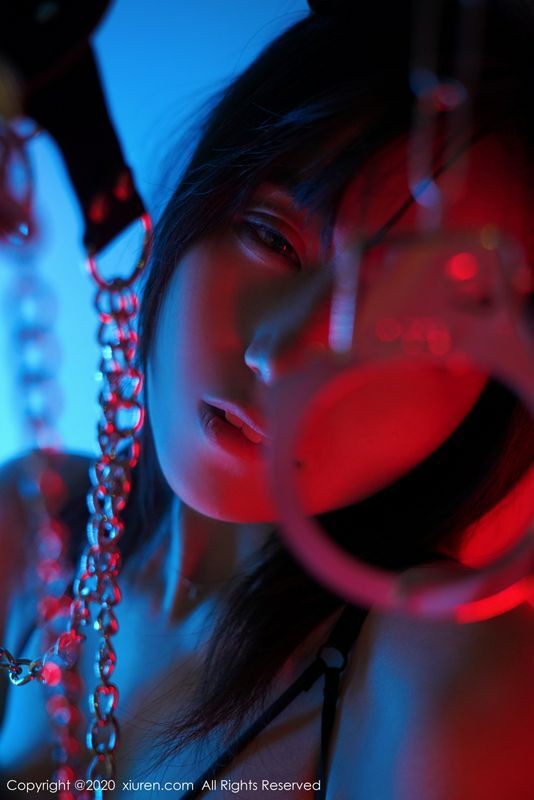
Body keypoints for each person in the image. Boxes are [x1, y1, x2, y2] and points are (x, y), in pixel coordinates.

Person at [1, 1, 534, 797]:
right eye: (275, 238)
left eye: (410, 328)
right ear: (200, 205)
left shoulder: (452, 675)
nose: (279, 353)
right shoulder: (31, 525)